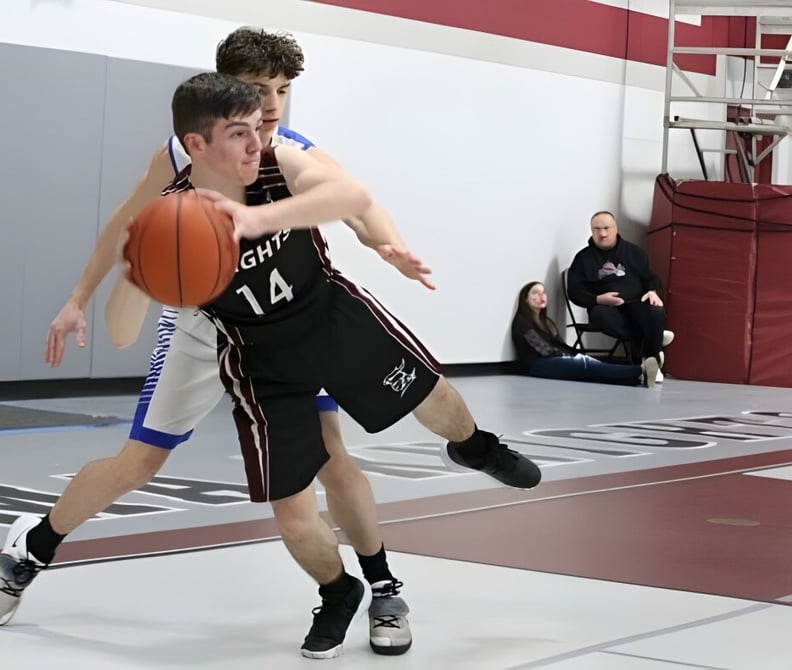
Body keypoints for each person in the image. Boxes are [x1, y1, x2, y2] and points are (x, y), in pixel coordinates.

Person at [0, 28, 426, 658]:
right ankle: (35, 547)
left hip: (281, 329)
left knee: (332, 453)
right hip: (201, 326)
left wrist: (387, 243)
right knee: (139, 460)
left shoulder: (293, 151)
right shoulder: (179, 154)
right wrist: (78, 296)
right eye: (256, 90)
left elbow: (357, 204)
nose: (272, 104)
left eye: (282, 91)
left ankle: (382, 588)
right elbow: (125, 225)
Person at [110, 71, 541, 659]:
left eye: (265, 112)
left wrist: (267, 221)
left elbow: (353, 198)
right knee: (292, 511)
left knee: (434, 399)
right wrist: (136, 279)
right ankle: (340, 592)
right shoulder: (169, 218)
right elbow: (121, 325)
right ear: (196, 144)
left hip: (329, 317)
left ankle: (474, 448)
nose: (256, 136)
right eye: (238, 129)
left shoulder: (278, 163)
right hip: (258, 359)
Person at [566, 211, 675, 388]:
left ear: (616, 229)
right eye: (597, 229)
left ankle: (651, 358)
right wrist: (598, 299)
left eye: (606, 228)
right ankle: (652, 345)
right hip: (604, 308)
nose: (602, 234)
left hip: (636, 304)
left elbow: (651, 278)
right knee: (601, 315)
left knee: (656, 311)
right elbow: (575, 292)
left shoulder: (635, 253)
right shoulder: (582, 259)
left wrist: (653, 291)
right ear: (591, 230)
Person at [512, 282, 643, 385]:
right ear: (525, 299)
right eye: (535, 293)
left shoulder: (546, 322)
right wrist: (570, 357)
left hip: (550, 360)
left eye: (543, 292)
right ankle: (641, 370)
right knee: (585, 366)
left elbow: (559, 345)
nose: (541, 296)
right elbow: (543, 349)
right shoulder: (522, 323)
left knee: (591, 367)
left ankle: (638, 377)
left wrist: (575, 355)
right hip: (537, 365)